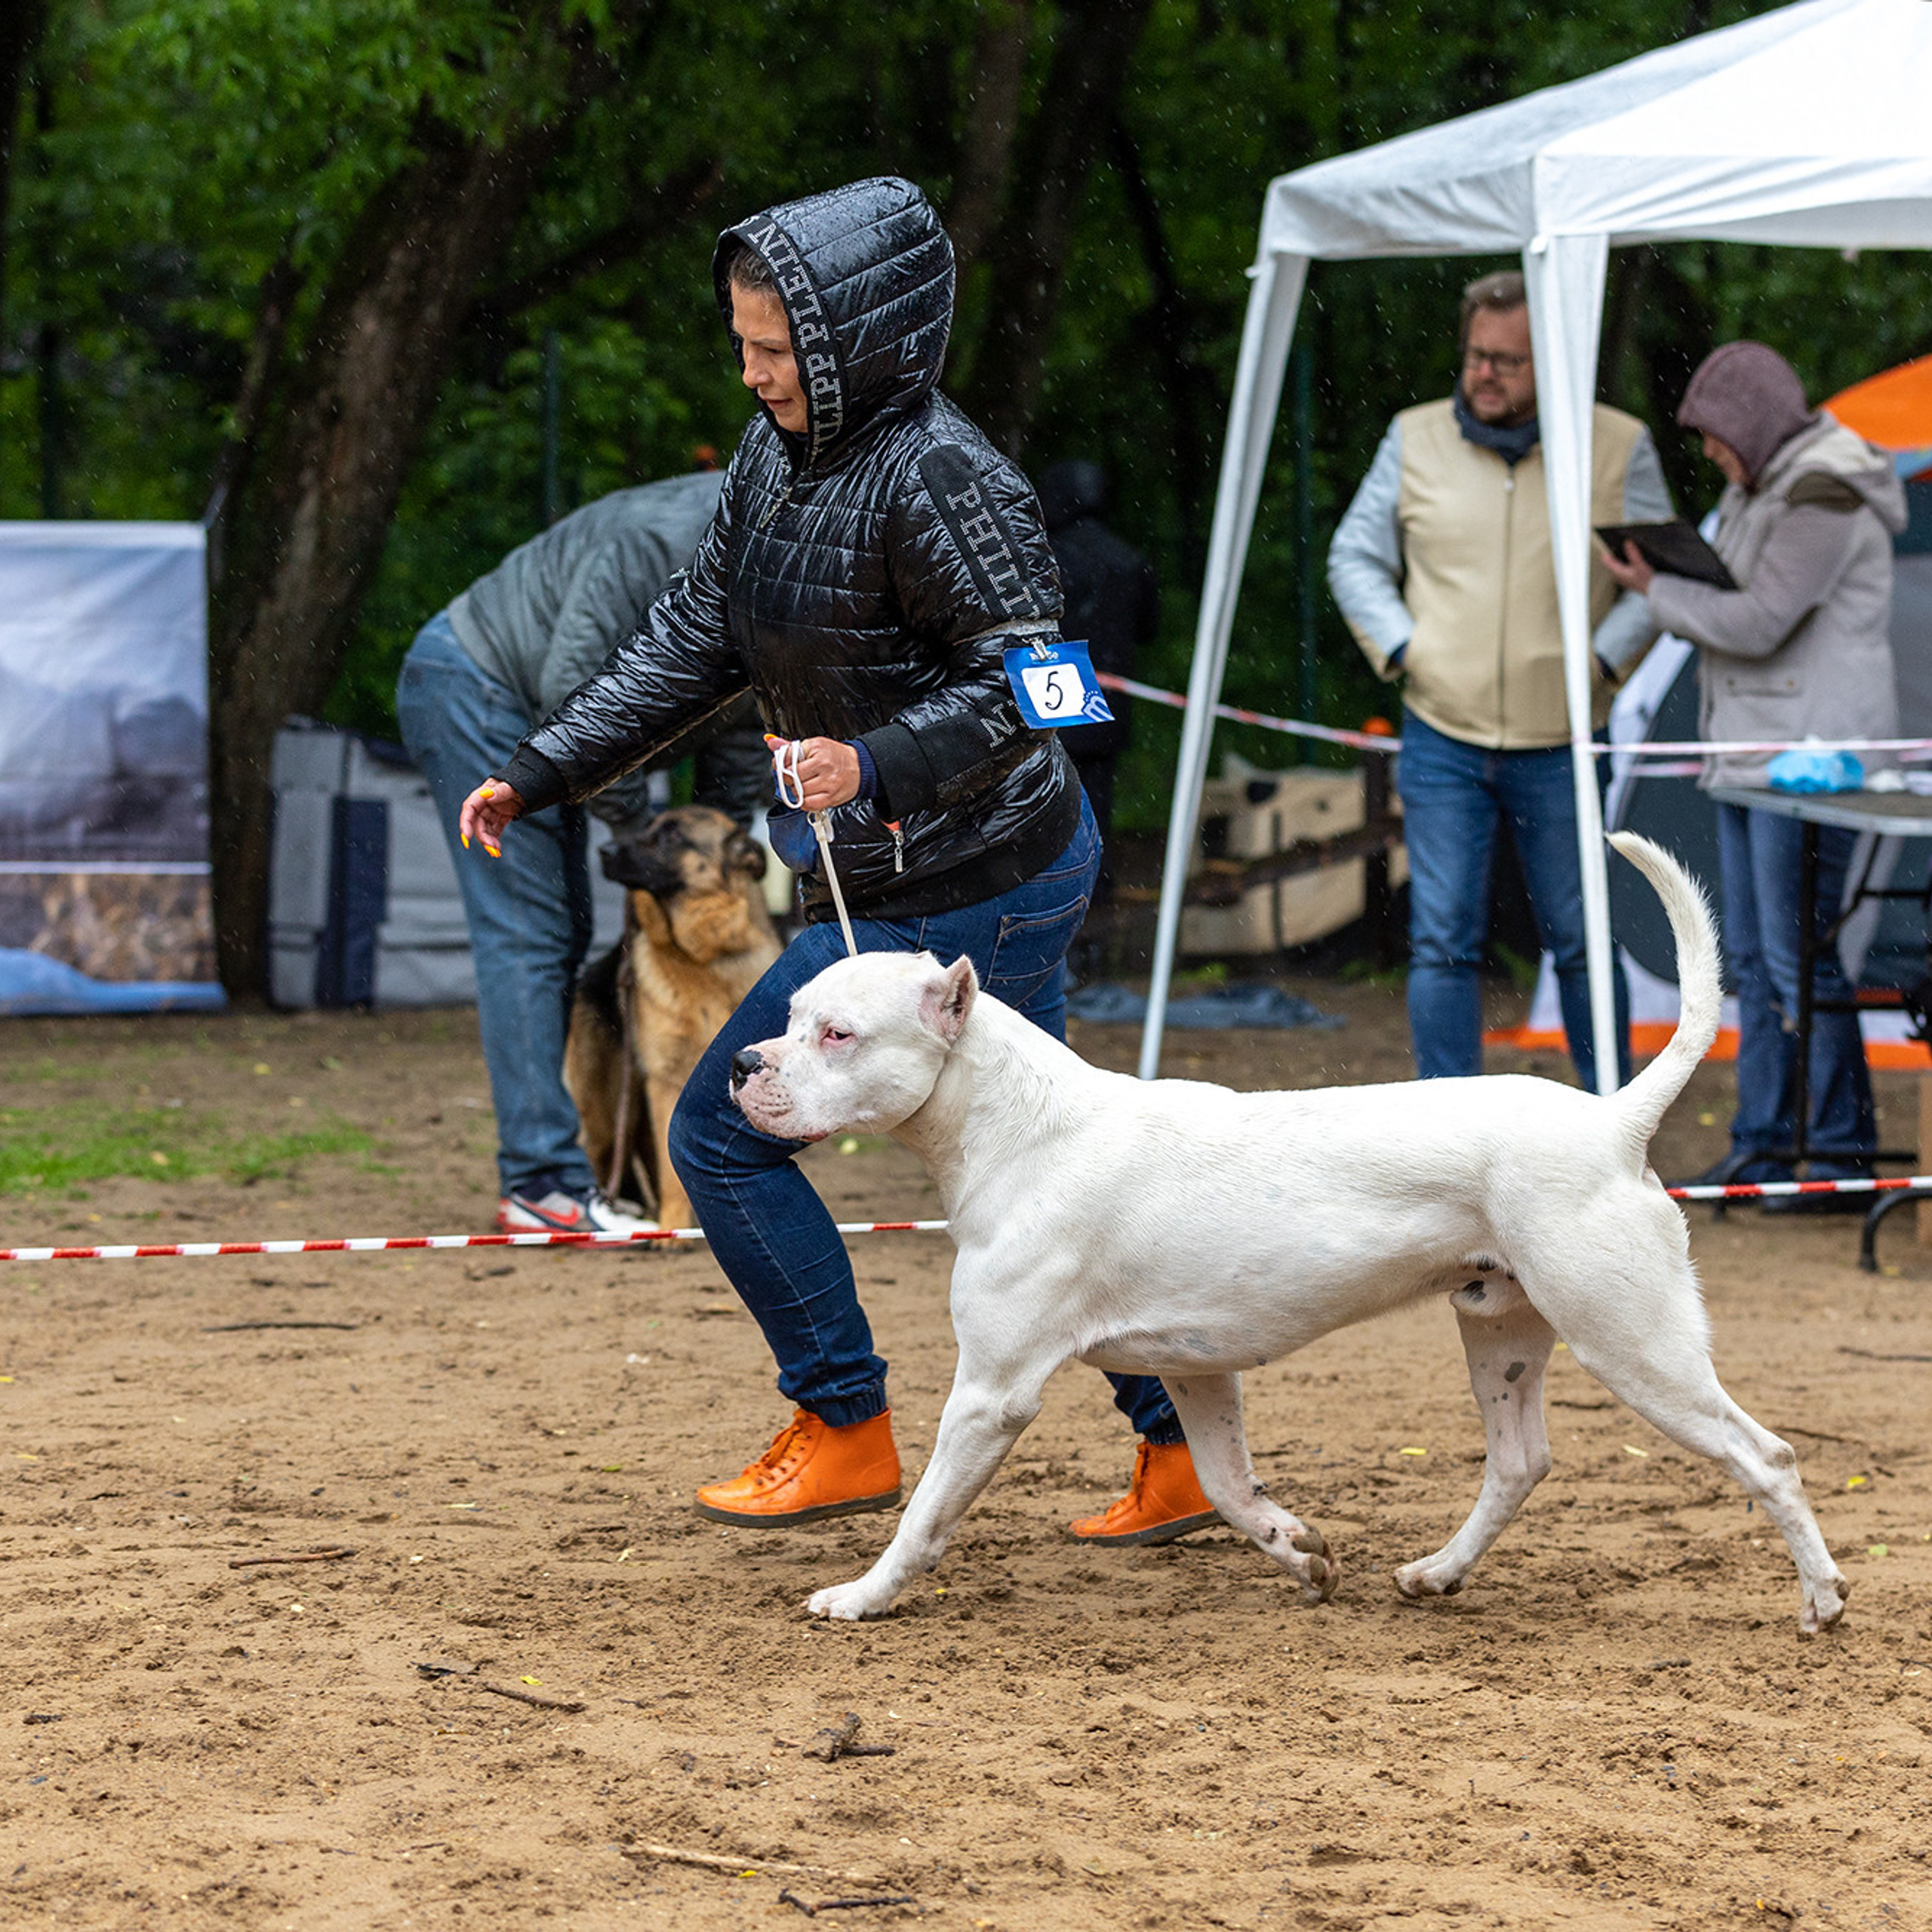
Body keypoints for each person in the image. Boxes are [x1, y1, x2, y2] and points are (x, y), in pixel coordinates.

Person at [457, 178, 1214, 1543]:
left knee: (722, 1136)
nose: (752, 375)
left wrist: (873, 763)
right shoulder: (770, 454)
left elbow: (1044, 691)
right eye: (742, 347)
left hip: (991, 877)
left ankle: (847, 1426)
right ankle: (1183, 1456)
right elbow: (698, 634)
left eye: (775, 351)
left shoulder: (951, 479)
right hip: (888, 879)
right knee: (1061, 1184)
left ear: (864, 337)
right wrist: (549, 764)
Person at [1328, 269, 1672, 1091]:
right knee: (1442, 939)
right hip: (1441, 731)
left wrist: (1599, 662)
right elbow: (1354, 556)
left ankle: (1610, 1129)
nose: (1483, 374)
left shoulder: (1616, 445)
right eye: (1475, 356)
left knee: (1585, 939)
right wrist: (1406, 649)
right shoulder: (1413, 437)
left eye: (1507, 362)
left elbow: (1660, 574)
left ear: (1550, 363)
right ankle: (1446, 1137)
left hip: (1564, 739)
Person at [396, 472, 765, 1237]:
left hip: (554, 715)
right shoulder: (658, 543)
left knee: (561, 929)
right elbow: (576, 695)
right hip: (480, 683)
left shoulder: (791, 573)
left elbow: (740, 734)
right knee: (534, 933)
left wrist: (719, 846)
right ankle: (539, 1180)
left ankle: (672, 1163)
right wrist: (638, 843)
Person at [1602, 341, 1906, 1208]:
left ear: (1753, 424)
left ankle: (1832, 1152)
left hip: (1811, 761)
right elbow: (1736, 597)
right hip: (1755, 752)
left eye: (1713, 434)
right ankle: (1769, 1147)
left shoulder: (1824, 490)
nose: (1707, 453)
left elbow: (1761, 618)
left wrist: (1656, 592)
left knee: (1794, 957)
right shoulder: (1763, 485)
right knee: (1761, 958)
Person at [1035, 458, 1158, 897]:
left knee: (1047, 802)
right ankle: (1095, 894)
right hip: (1108, 700)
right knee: (1097, 801)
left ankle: (1059, 899)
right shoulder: (1128, 559)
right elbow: (1149, 628)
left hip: (1052, 694)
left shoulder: (1044, 556)